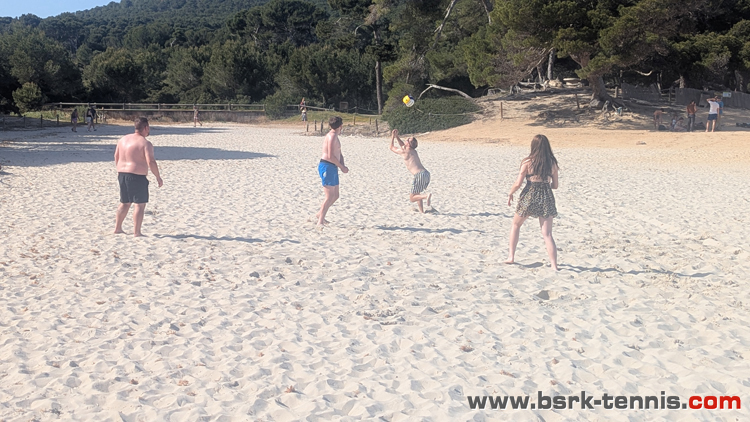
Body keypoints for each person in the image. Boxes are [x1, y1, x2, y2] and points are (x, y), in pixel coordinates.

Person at [506, 134, 560, 271]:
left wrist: (510, 193)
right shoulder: (552, 163)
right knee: (547, 234)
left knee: (516, 225)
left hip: (529, 195)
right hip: (546, 196)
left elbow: (518, 183)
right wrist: (545, 184)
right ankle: (554, 265)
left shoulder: (527, 162)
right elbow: (555, 186)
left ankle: (511, 256)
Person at [114, 117, 163, 237]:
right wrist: (158, 176)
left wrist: (119, 169)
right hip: (137, 176)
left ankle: (118, 228)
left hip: (122, 174)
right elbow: (151, 161)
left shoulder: (123, 140)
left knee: (125, 203)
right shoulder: (145, 143)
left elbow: (116, 156)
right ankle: (137, 232)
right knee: (139, 204)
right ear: (146, 128)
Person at [390, 129, 432, 213]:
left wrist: (392, 137)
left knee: (412, 198)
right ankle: (421, 211)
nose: (406, 140)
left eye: (407, 139)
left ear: (408, 144)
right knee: (417, 193)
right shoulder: (413, 150)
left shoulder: (404, 151)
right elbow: (403, 145)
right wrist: (397, 136)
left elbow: (391, 147)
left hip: (419, 175)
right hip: (426, 174)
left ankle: (426, 196)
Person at [316, 116, 348, 226]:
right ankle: (320, 221)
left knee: (335, 195)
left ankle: (320, 214)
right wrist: (341, 167)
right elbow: (330, 156)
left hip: (333, 166)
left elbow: (339, 153)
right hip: (327, 165)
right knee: (329, 196)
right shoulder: (331, 136)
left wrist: (342, 164)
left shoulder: (335, 136)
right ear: (340, 126)